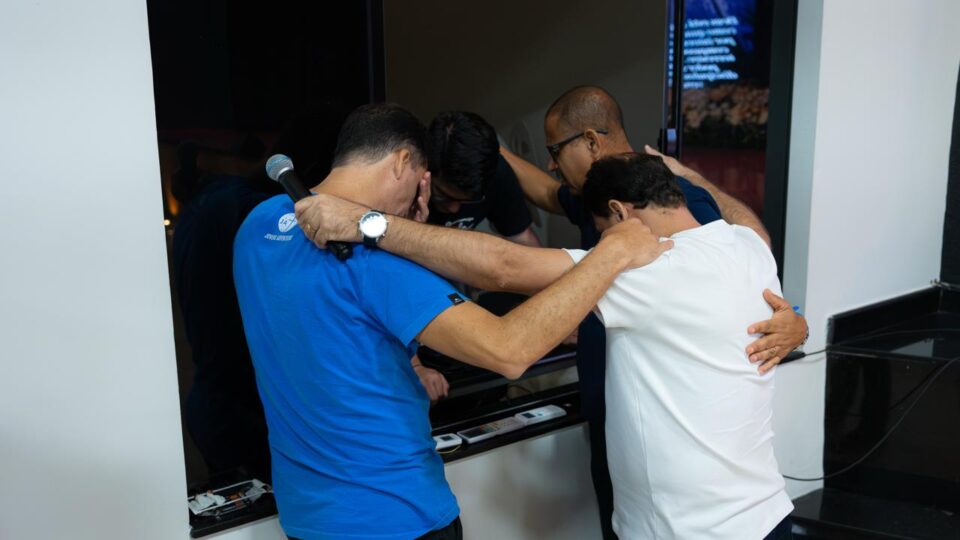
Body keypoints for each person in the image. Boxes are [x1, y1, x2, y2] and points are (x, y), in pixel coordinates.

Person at [232, 103, 670, 540]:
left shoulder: (259, 225)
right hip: (397, 515)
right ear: (404, 161)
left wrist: (406, 238)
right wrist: (612, 253)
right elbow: (508, 350)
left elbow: (340, 328)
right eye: (422, 181)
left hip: (308, 516)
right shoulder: (371, 262)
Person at [498, 85, 774, 538]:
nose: (551, 162)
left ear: (590, 141)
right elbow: (548, 193)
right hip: (619, 414)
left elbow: (745, 264)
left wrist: (790, 324)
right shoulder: (602, 196)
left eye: (555, 149)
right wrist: (498, 150)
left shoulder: (678, 200)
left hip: (675, 452)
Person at [573, 152, 794, 539]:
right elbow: (747, 222)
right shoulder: (751, 247)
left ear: (619, 213)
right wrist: (691, 174)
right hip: (765, 516)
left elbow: (505, 267)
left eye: (602, 230)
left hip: (685, 530)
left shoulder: (643, 272)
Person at [426, 111, 541, 247]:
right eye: (443, 196)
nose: (454, 209)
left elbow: (522, 237)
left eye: (469, 200)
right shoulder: (409, 178)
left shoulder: (495, 172)